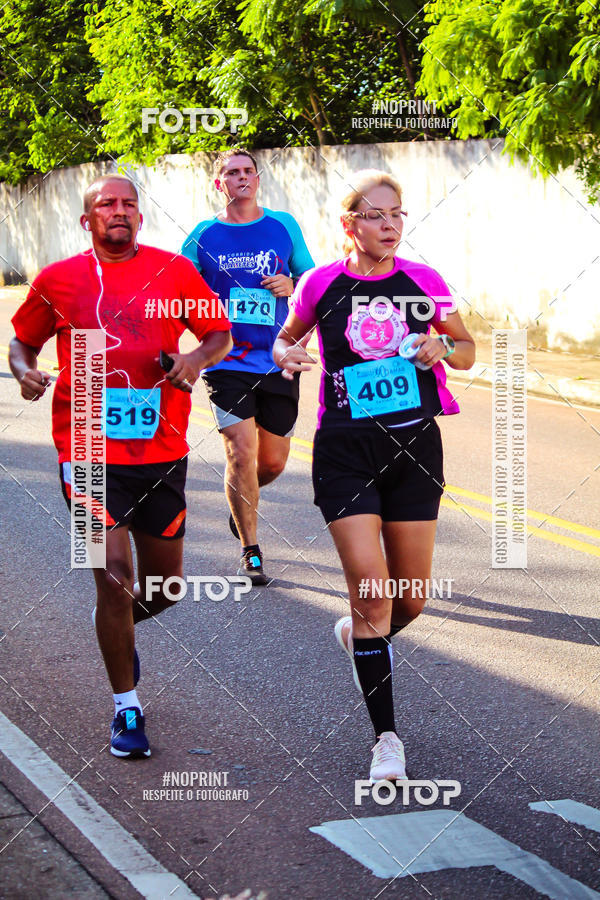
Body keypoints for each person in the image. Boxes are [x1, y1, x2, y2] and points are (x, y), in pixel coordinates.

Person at [9, 174, 232, 758]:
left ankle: (115, 623)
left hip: (161, 450)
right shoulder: (57, 280)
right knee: (113, 577)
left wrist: (193, 359)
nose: (119, 210)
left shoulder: (174, 272)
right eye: (106, 204)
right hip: (83, 448)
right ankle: (126, 706)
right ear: (87, 220)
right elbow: (22, 343)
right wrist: (24, 371)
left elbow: (218, 335)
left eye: (129, 203)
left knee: (165, 589)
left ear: (140, 217)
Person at [273, 170, 475, 781]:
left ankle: (362, 634)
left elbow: (467, 348)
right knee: (370, 588)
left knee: (408, 598)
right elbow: (285, 340)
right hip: (345, 451)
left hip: (415, 447)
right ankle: (386, 738)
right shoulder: (321, 283)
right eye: (376, 215)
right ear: (349, 224)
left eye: (397, 215)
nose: (389, 225)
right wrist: (288, 355)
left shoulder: (423, 282)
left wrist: (444, 349)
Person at [181, 148, 314, 585]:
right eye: (232, 172)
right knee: (241, 451)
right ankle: (251, 550)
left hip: (277, 358)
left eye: (248, 171)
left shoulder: (283, 225)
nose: (242, 178)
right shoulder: (202, 235)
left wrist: (292, 282)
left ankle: (241, 502)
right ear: (218, 182)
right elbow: (178, 291)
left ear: (257, 179)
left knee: (271, 463)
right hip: (225, 362)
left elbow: (313, 283)